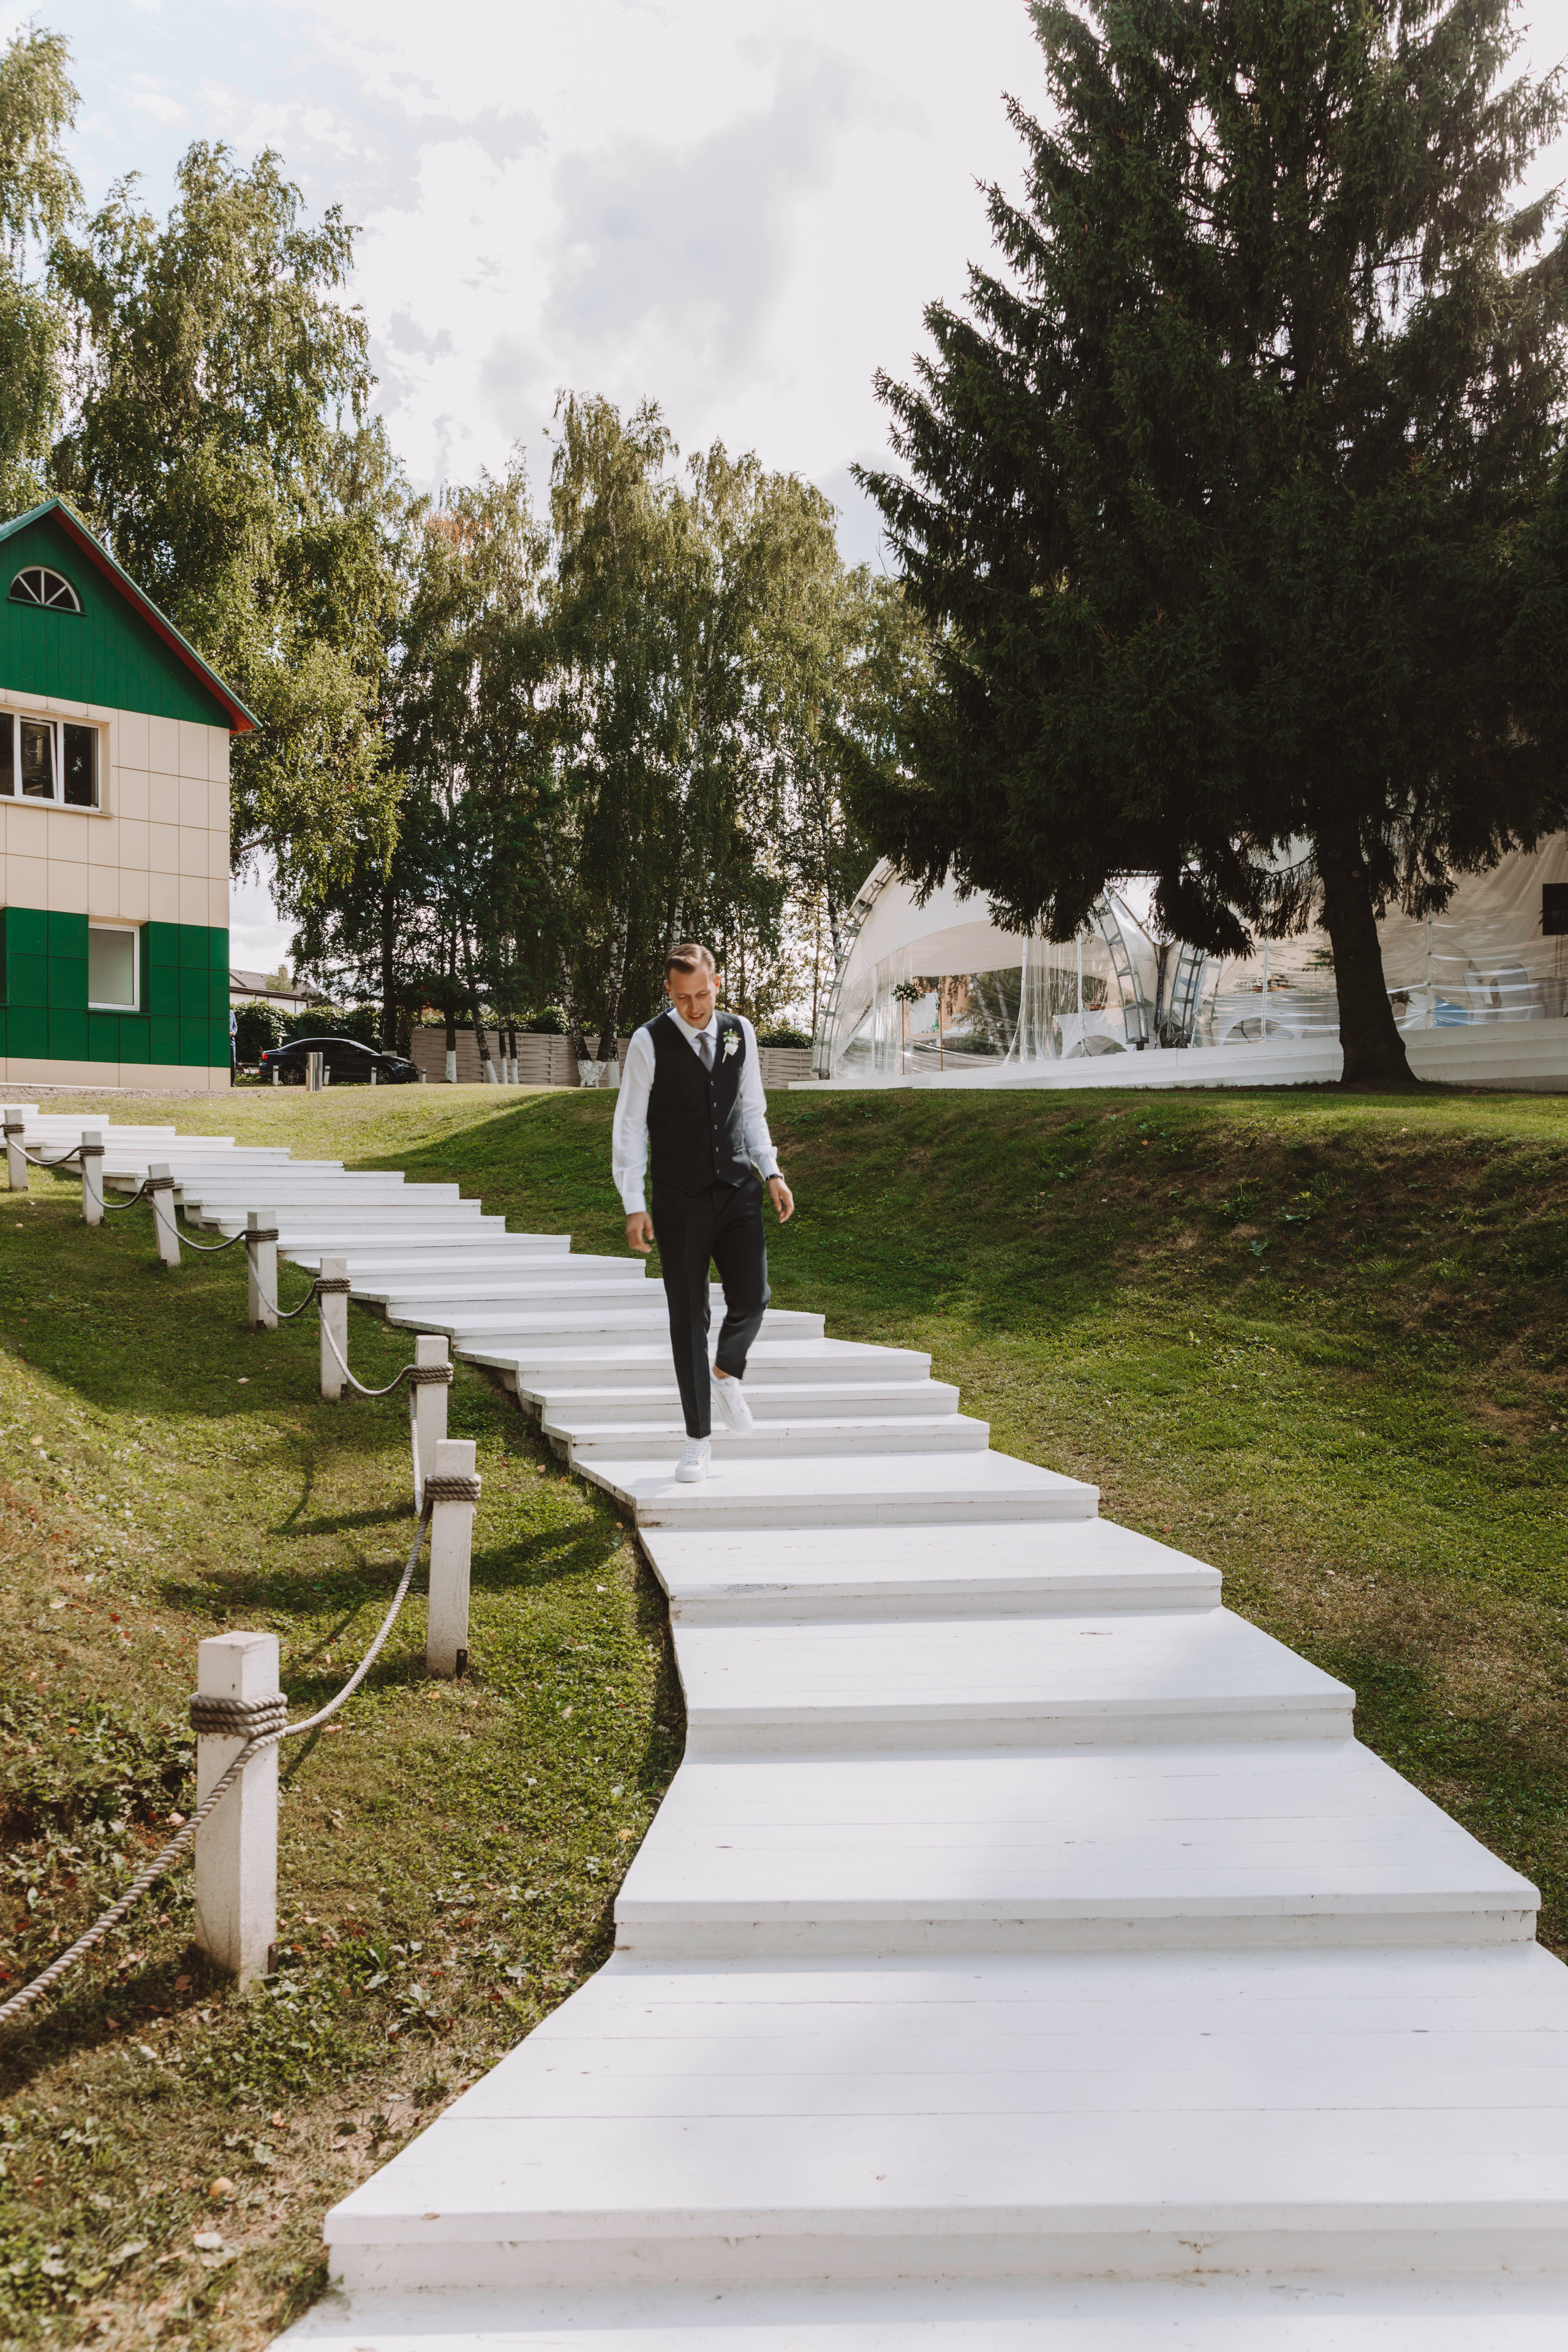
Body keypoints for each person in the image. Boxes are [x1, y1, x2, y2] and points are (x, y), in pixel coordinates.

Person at [611, 943, 795, 1483]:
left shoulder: (741, 1031)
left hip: (739, 1189)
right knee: (689, 1318)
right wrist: (634, 1204)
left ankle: (726, 1370)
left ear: (718, 981)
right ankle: (697, 1440)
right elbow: (629, 1126)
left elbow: (753, 1107)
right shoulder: (648, 1041)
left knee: (754, 1298)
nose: (695, 1007)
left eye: (703, 994)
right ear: (669, 991)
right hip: (679, 1199)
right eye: (683, 997)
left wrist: (772, 1171)